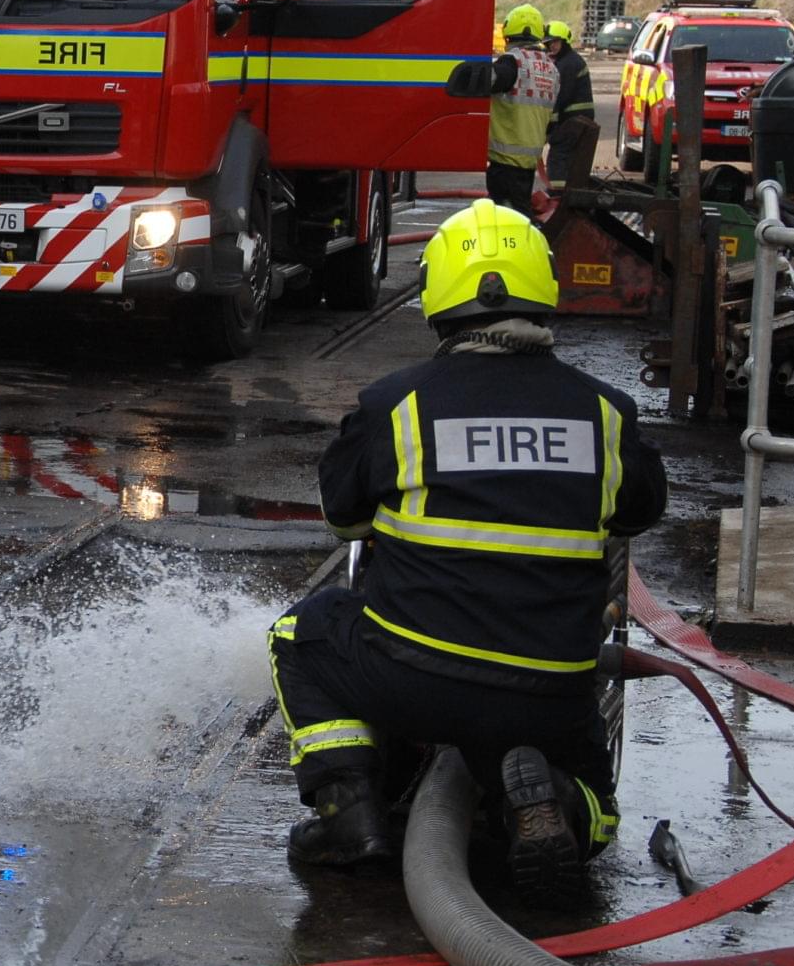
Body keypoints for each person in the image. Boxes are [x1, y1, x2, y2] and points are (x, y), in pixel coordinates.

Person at [267, 201, 667, 878]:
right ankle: (551, 801)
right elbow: (635, 515)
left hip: (412, 678)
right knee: (602, 810)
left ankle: (351, 815)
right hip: (550, 688)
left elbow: (345, 520)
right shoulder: (606, 412)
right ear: (543, 285)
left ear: (439, 292)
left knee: (300, 636)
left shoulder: (396, 405)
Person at [447, 5, 560, 212]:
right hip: (529, 161)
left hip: (505, 162)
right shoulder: (551, 69)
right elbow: (552, 117)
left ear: (508, 35)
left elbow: (489, 80)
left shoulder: (512, 62)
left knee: (508, 217)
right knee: (518, 212)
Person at [544, 18, 599, 191]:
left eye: (555, 42)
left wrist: (549, 128)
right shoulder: (569, 60)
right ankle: (570, 193)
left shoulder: (567, 64)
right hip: (579, 120)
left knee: (558, 156)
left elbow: (560, 97)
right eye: (549, 43)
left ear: (564, 42)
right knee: (573, 160)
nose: (551, 46)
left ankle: (557, 195)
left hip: (573, 120)